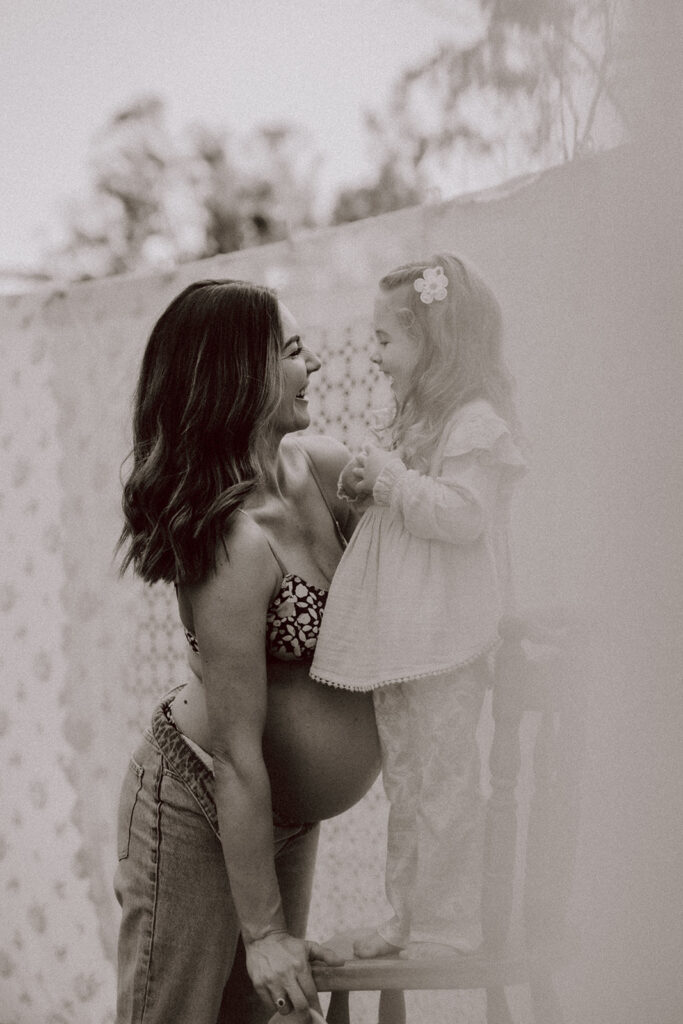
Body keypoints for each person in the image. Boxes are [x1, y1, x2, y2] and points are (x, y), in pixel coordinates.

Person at [114, 279, 380, 1024]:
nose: (316, 364)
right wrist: (262, 933)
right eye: (294, 351)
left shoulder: (323, 471)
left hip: (280, 816)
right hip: (199, 802)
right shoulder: (233, 542)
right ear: (241, 377)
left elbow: (421, 569)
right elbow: (235, 754)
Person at [310, 253, 527, 959]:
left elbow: (463, 516)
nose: (372, 355)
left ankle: (451, 922)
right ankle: (406, 917)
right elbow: (404, 504)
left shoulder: (473, 424)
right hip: (403, 638)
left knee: (446, 781)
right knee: (407, 784)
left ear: (433, 344)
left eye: (383, 340)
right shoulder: (414, 421)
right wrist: (367, 484)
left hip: (446, 637)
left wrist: (394, 480)